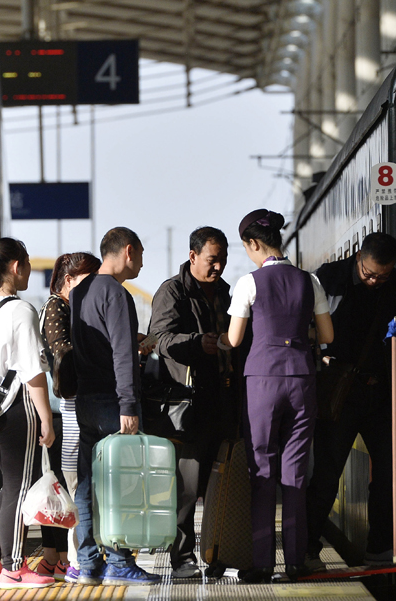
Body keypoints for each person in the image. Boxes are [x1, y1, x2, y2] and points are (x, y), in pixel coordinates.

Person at [219, 209, 333, 584]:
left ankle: (264, 563)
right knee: (296, 470)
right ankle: (296, 562)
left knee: (263, 469)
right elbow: (327, 334)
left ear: (253, 244)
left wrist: (215, 341)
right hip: (302, 378)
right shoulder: (309, 280)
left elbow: (234, 339)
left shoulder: (248, 283)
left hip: (263, 382)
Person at [304, 232, 396, 570]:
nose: (375, 280)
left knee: (388, 474)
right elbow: (307, 328)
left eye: (383, 275)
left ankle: (379, 547)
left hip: (381, 394)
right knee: (327, 473)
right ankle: (307, 547)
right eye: (369, 274)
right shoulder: (328, 278)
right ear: (359, 259)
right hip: (340, 394)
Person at [71, 227, 160, 586]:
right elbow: (122, 353)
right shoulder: (116, 294)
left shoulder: (80, 291)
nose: (141, 262)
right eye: (140, 253)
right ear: (127, 251)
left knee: (89, 484)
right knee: (122, 484)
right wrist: (129, 403)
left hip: (85, 400)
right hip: (113, 401)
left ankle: (89, 562)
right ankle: (120, 561)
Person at [0, 238, 56, 590]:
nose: (31, 269)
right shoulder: (21, 310)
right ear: (16, 267)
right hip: (17, 410)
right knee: (19, 489)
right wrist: (46, 418)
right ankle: (12, 567)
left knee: (11, 485)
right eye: (28, 262)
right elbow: (33, 372)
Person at [148, 226, 232, 579]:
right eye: (212, 260)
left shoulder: (226, 292)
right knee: (187, 486)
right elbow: (160, 339)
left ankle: (216, 556)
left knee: (219, 484)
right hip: (188, 403)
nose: (218, 268)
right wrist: (199, 343)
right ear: (193, 255)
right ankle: (181, 559)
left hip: (224, 399)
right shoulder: (173, 291)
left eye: (223, 260)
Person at [39, 251, 101, 584]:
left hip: (77, 406)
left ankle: (79, 559)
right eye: (87, 280)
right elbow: (62, 352)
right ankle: (78, 562)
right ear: (69, 280)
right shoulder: (56, 307)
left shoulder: (70, 307)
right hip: (73, 408)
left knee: (81, 484)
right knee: (78, 484)